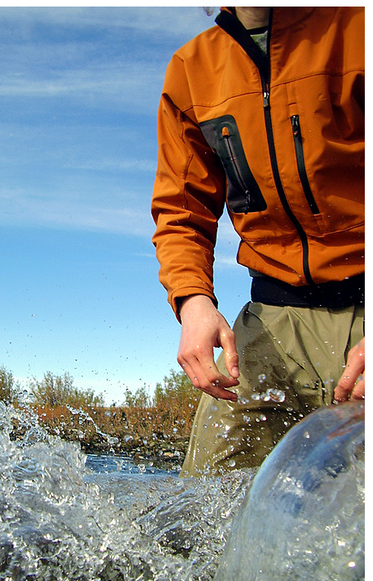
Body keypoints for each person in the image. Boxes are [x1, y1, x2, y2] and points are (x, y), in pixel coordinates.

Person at [150, 8, 364, 476]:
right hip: (269, 321)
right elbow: (181, 212)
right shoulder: (190, 68)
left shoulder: (357, 28)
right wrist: (193, 303)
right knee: (197, 514)